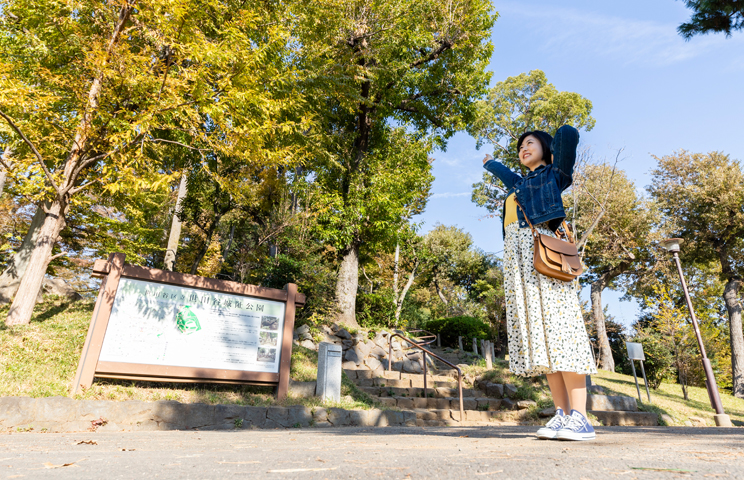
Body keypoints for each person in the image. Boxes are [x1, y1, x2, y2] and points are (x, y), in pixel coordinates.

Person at [482, 125, 597, 441]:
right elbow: (508, 178)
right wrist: (490, 164)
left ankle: (581, 418)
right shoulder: (520, 184)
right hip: (519, 266)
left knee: (562, 335)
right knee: (544, 341)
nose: (523, 148)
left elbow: (567, 140)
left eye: (530, 143)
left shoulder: (553, 176)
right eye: (520, 146)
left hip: (543, 258)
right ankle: (562, 415)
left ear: (546, 149)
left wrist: (560, 130)